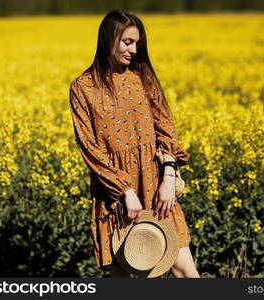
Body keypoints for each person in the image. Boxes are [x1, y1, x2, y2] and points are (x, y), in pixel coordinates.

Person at [68, 9, 200, 278]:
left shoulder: (143, 77)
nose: (134, 49)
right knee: (123, 277)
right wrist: (125, 191)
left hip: (155, 185)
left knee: (185, 270)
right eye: (128, 42)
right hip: (114, 195)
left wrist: (169, 178)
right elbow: (89, 147)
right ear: (108, 40)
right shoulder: (82, 87)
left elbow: (166, 131)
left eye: (137, 43)